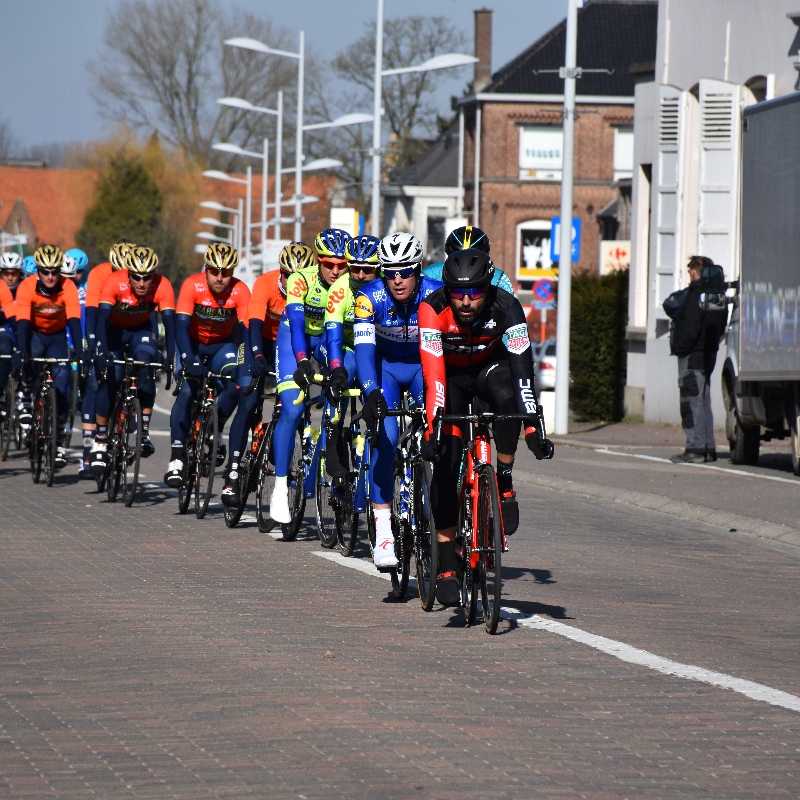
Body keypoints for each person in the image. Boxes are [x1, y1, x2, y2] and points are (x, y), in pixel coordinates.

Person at [418, 248, 553, 604]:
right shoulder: (432, 309)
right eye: (458, 293)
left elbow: (524, 374)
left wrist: (533, 429)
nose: (465, 301)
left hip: (491, 372)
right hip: (451, 379)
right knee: (446, 459)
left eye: (474, 293)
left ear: (487, 289)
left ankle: (504, 479)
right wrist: (433, 429)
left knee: (508, 398)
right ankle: (447, 560)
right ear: (447, 290)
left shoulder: (507, 306)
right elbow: (434, 380)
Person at [353, 231, 441, 568]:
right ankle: (385, 530)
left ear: (419, 269)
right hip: (385, 369)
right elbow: (363, 350)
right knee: (386, 439)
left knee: (438, 432)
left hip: (422, 366)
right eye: (390, 272)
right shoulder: (368, 298)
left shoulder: (436, 295)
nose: (397, 280)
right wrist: (371, 390)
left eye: (405, 271)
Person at [220, 242, 314, 507]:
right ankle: (234, 471)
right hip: (258, 342)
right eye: (287, 275)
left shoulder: (314, 291)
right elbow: (253, 324)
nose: (292, 281)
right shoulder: (265, 283)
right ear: (280, 272)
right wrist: (258, 356)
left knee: (291, 404)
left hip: (291, 347)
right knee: (248, 398)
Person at [268, 227, 351, 523]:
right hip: (296, 338)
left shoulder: (348, 285)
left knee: (339, 384)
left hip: (327, 342)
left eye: (342, 265)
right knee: (291, 407)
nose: (335, 270)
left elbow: (338, 338)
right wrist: (302, 360)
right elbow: (298, 321)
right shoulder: (300, 280)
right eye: (328, 264)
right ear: (318, 260)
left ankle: (331, 443)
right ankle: (279, 487)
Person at [165, 242, 250, 488]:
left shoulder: (241, 291)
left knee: (235, 379)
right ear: (206, 269)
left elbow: (246, 331)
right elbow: (180, 328)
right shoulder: (193, 285)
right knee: (188, 391)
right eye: (215, 271)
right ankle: (177, 456)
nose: (220, 278)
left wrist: (247, 362)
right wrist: (188, 360)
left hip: (222, 346)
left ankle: (217, 422)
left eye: (226, 272)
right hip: (192, 342)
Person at [89, 246, 175, 475]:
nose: (142, 283)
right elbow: (101, 319)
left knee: (146, 367)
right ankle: (99, 438)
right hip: (114, 331)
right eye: (136, 277)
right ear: (128, 274)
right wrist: (101, 352)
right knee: (111, 378)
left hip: (141, 332)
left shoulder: (162, 285)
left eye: (147, 277)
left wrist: (171, 359)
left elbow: (170, 324)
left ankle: (143, 433)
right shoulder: (114, 282)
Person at [15, 244, 83, 470]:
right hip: (34, 334)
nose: (51, 277)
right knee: (34, 379)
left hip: (56, 337)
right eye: (46, 272)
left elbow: (73, 320)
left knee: (62, 385)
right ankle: (33, 417)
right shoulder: (27, 286)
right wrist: (23, 353)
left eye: (55, 271)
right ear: (38, 271)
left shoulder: (68, 287)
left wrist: (80, 351)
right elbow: (22, 323)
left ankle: (59, 441)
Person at [79, 242, 134, 477]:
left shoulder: (137, 278)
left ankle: (131, 417)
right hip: (105, 329)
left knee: (139, 369)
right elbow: (91, 311)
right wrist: (92, 343)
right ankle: (89, 453)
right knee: (97, 381)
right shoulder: (99, 274)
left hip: (129, 330)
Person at [665, 255, 727, 464]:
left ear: (697, 271)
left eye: (691, 271)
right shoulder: (717, 296)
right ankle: (708, 448)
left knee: (691, 402)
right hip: (708, 354)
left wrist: (682, 349)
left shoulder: (696, 295)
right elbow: (719, 328)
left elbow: (690, 327)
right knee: (703, 401)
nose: (689, 276)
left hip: (692, 356)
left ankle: (695, 449)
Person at [422, 225, 513, 294]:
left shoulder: (499, 279)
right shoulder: (428, 274)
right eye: (458, 260)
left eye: (472, 261)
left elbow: (510, 311)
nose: (464, 266)